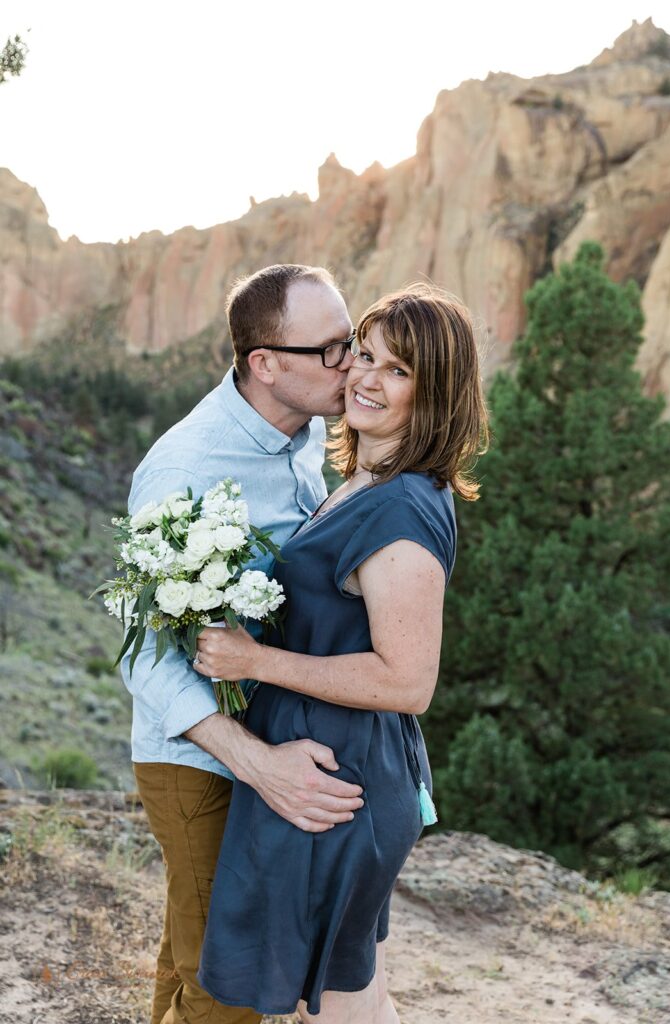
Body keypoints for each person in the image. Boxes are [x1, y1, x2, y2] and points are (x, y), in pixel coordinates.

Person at [193, 283, 490, 1023]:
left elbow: (408, 680)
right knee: (342, 993)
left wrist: (255, 662)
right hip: (329, 769)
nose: (364, 376)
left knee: (334, 1004)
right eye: (364, 354)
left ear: (435, 394)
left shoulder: (400, 512)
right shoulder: (367, 481)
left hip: (338, 785)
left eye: (396, 370)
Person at [121, 264, 367, 1024]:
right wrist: (258, 764)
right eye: (330, 349)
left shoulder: (306, 429)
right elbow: (144, 656)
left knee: (191, 952)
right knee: (227, 985)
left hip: (270, 738)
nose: (350, 362)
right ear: (264, 365)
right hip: (200, 759)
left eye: (351, 338)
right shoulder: (183, 470)